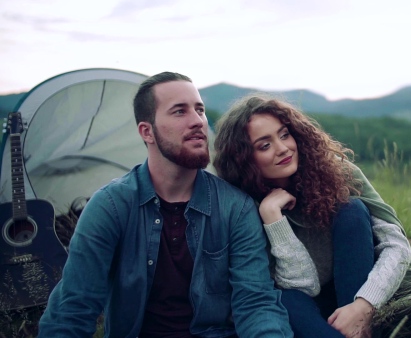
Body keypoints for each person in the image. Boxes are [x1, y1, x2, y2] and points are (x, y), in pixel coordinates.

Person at [38, 73, 293, 338]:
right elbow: (73, 308)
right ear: (147, 131)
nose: (197, 121)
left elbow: (256, 302)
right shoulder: (111, 206)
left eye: (200, 110)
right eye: (179, 111)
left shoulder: (235, 208)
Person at [213, 95, 411, 338]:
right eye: (265, 145)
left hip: (357, 292)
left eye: (284, 134)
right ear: (243, 159)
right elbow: (305, 287)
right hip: (303, 307)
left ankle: (360, 329)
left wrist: (364, 305)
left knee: (352, 210)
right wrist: (274, 219)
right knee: (284, 300)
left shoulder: (337, 172)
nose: (283, 148)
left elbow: (397, 246)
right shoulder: (241, 206)